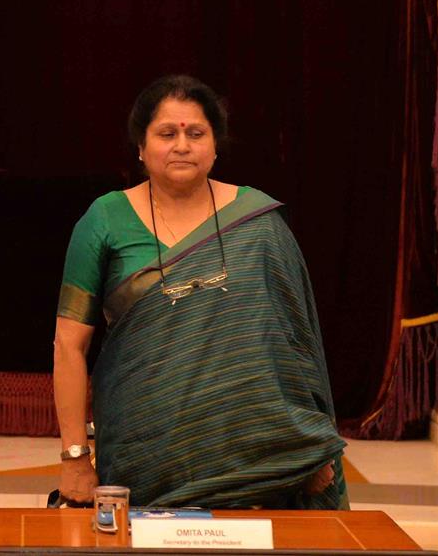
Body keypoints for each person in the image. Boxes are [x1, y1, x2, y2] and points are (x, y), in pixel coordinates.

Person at [53, 75, 347, 508]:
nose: (182, 145)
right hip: (146, 454)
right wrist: (75, 457)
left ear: (215, 146)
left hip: (259, 457)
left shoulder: (258, 222)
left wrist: (307, 446)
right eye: (166, 133)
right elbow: (68, 345)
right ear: (141, 146)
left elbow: (297, 347)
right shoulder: (104, 220)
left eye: (196, 133)